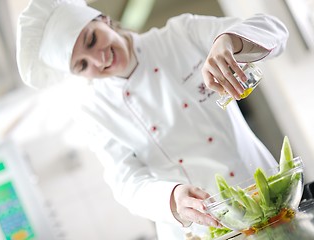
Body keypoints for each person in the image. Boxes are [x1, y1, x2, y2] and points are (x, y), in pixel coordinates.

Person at [16, 0, 289, 239]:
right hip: (197, 231)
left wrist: (227, 42)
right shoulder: (95, 110)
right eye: (82, 65)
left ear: (103, 20)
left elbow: (274, 28)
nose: (98, 60)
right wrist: (171, 198)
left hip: (262, 195)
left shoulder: (180, 35)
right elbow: (126, 180)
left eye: (91, 39)